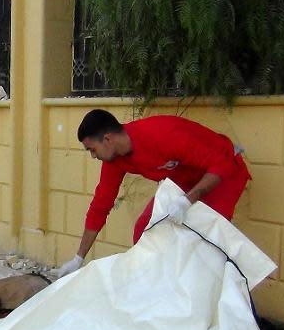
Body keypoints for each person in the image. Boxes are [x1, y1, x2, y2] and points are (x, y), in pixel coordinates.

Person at [53, 109, 251, 278]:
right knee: (144, 229)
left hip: (223, 173)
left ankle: (223, 307)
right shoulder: (114, 160)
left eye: (92, 150)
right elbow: (101, 205)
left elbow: (220, 164)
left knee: (206, 244)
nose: (93, 156)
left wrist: (187, 201)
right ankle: (160, 296)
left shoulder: (162, 134)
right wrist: (78, 258)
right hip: (184, 180)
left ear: (107, 139)